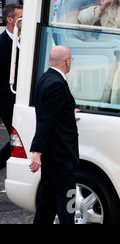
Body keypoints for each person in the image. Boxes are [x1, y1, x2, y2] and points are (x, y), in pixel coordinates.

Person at [29, 45, 80, 224]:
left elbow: (49, 113)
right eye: (71, 59)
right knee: (68, 205)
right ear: (67, 61)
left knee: (46, 205)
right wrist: (36, 152)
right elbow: (47, 121)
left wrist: (68, 113)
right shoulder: (58, 84)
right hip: (61, 156)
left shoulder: (44, 79)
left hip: (51, 156)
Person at [0, 3, 22, 170]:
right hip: (6, 98)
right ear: (10, 20)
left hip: (22, 98)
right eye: (21, 18)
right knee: (18, 138)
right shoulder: (1, 44)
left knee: (19, 138)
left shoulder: (27, 40)